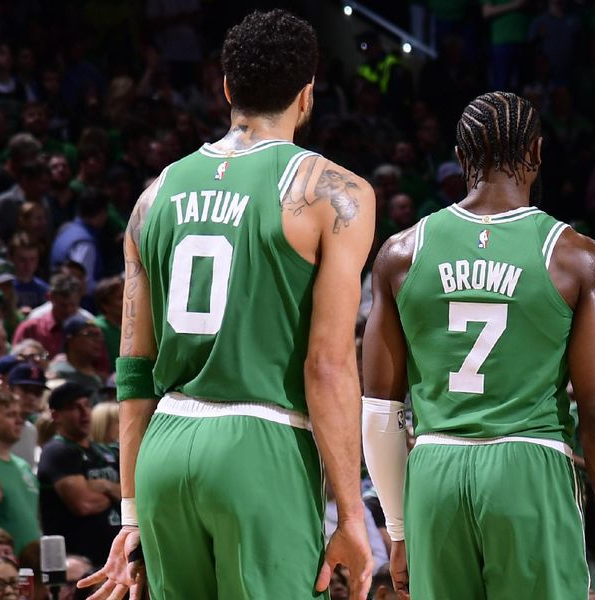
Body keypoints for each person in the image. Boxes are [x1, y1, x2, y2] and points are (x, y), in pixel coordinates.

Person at [80, 10, 375, 600]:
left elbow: (134, 372)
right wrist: (350, 513)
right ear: (308, 93)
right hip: (260, 443)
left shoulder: (153, 195)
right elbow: (329, 365)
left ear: (226, 88)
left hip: (166, 443)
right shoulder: (334, 192)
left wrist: (132, 512)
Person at [361, 91, 595, 599]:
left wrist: (399, 532)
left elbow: (380, 411)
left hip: (435, 471)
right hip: (528, 465)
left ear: (460, 156)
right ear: (536, 152)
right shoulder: (578, 259)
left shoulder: (401, 253)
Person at [37, 382, 120, 566]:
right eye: (75, 407)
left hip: (113, 558)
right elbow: (85, 503)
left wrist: (105, 486)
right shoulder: (57, 451)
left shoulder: (105, 451)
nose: (85, 413)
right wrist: (116, 494)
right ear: (55, 415)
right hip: (77, 562)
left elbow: (132, 497)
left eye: (87, 405)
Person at [0, 390, 40, 556]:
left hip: (34, 565)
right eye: (10, 415)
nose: (19, 420)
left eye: (19, 414)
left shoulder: (23, 465)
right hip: (0, 567)